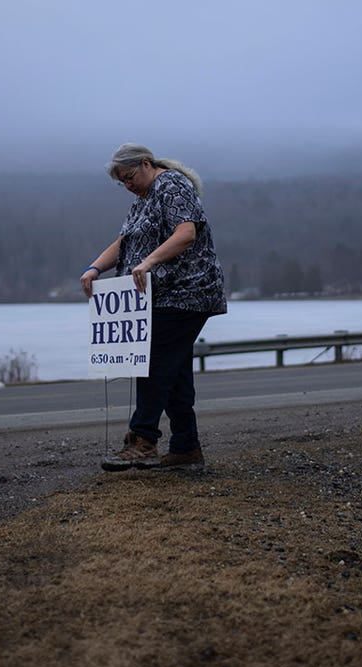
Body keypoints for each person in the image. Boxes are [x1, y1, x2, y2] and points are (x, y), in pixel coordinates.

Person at [81, 143, 227, 471]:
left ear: (146, 164)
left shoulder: (172, 185)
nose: (128, 186)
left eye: (130, 177)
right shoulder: (142, 201)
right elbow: (124, 243)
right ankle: (186, 448)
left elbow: (186, 233)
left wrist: (148, 262)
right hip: (159, 296)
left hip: (189, 291)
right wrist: (94, 269)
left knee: (154, 361)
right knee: (173, 369)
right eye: (123, 182)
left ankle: (143, 439)